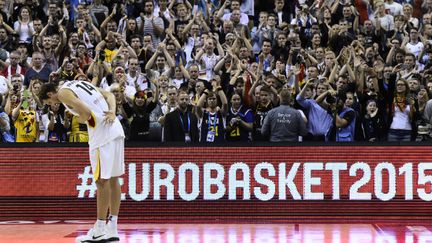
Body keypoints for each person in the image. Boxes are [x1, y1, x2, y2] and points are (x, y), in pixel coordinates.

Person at [38, 81, 124, 242]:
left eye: (48, 102)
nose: (51, 104)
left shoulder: (63, 93)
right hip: (115, 129)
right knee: (113, 179)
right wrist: (112, 112)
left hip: (102, 135)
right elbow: (109, 94)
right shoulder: (78, 83)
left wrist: (83, 120)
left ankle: (99, 229)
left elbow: (86, 113)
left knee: (101, 181)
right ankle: (112, 227)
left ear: (50, 94)